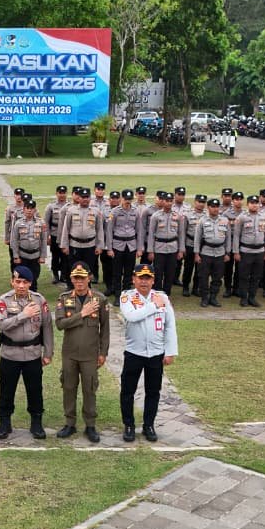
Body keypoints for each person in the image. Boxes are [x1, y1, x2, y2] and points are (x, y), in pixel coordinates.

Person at [118, 263, 178, 443]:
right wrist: (153, 306)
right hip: (134, 352)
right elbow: (132, 316)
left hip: (156, 353)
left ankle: (148, 425)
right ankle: (128, 425)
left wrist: (170, 351)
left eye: (148, 278)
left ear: (153, 280)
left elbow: (170, 326)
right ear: (133, 279)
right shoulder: (126, 297)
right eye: (140, 278)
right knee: (128, 390)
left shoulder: (163, 298)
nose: (144, 282)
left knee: (153, 391)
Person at [0, 266, 54, 440]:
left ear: (30, 283)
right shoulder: (3, 300)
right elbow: (2, 325)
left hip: (32, 354)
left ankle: (36, 422)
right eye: (17, 281)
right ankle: (4, 422)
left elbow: (47, 327)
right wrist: (24, 314)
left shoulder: (39, 300)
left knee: (35, 390)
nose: (21, 285)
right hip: (10, 354)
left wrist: (48, 352)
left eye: (25, 282)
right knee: (6, 390)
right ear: (12, 281)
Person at [55, 262, 108, 443]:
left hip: (90, 354)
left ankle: (90, 425)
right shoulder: (64, 298)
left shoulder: (99, 299)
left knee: (89, 389)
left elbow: (105, 329)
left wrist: (103, 353)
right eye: (76, 278)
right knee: (69, 388)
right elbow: (60, 324)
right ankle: (70, 423)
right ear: (71, 278)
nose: (79, 281)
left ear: (89, 278)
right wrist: (82, 314)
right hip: (69, 353)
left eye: (82, 278)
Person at [106, 190, 143, 304]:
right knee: (117, 272)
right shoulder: (115, 211)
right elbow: (109, 231)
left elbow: (139, 230)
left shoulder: (136, 211)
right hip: (118, 245)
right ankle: (118, 295)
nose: (128, 202)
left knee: (129, 272)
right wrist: (109, 248)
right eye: (126, 200)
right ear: (122, 199)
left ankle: (126, 294)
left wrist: (139, 248)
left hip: (131, 246)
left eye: (129, 200)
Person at [58, 187, 102, 281]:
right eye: (83, 197)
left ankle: (87, 287)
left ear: (90, 198)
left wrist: (99, 246)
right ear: (79, 198)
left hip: (90, 246)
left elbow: (99, 230)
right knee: (73, 268)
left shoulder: (96, 211)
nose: (85, 199)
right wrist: (64, 245)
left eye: (87, 197)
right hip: (74, 245)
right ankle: (71, 288)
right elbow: (66, 229)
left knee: (88, 269)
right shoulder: (71, 210)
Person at [193, 198, 231, 308]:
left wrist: (228, 253)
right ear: (208, 207)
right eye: (213, 206)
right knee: (203, 277)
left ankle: (213, 297)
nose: (215, 209)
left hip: (220, 253)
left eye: (217, 206)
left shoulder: (224, 220)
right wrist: (196, 254)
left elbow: (228, 238)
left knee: (217, 277)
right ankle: (204, 298)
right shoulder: (202, 221)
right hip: (206, 252)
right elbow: (197, 238)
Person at [232, 195, 265, 307]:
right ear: (248, 204)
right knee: (244, 276)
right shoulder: (241, 217)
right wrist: (236, 252)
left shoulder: (264, 216)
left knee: (256, 276)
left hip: (259, 251)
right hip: (246, 251)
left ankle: (252, 297)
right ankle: (243, 298)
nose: (254, 205)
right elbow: (236, 235)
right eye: (252, 203)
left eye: (256, 203)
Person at [10, 198, 50, 292]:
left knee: (34, 279)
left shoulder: (41, 223)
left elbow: (44, 240)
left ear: (35, 210)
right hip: (22, 255)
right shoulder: (18, 223)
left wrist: (43, 256)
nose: (29, 210)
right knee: (21, 278)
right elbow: (14, 240)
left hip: (35, 256)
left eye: (31, 208)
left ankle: (33, 298)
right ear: (23, 209)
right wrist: (16, 256)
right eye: (27, 208)